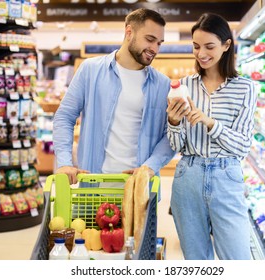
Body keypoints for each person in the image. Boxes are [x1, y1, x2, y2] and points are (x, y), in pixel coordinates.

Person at [166, 13, 256, 260]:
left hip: (226, 175)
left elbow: (242, 145)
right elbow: (177, 145)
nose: (201, 53)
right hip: (188, 174)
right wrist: (173, 122)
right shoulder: (184, 85)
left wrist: (209, 122)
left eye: (209, 46)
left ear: (226, 45)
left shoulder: (245, 88)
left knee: (237, 259)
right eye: (196, 46)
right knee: (196, 261)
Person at [53, 8, 175, 185]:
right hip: (93, 185)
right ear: (129, 32)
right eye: (150, 39)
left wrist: (149, 167)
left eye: (159, 43)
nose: (154, 49)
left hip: (139, 190)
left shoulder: (163, 84)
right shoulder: (91, 70)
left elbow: (170, 135)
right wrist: (64, 163)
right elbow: (64, 116)